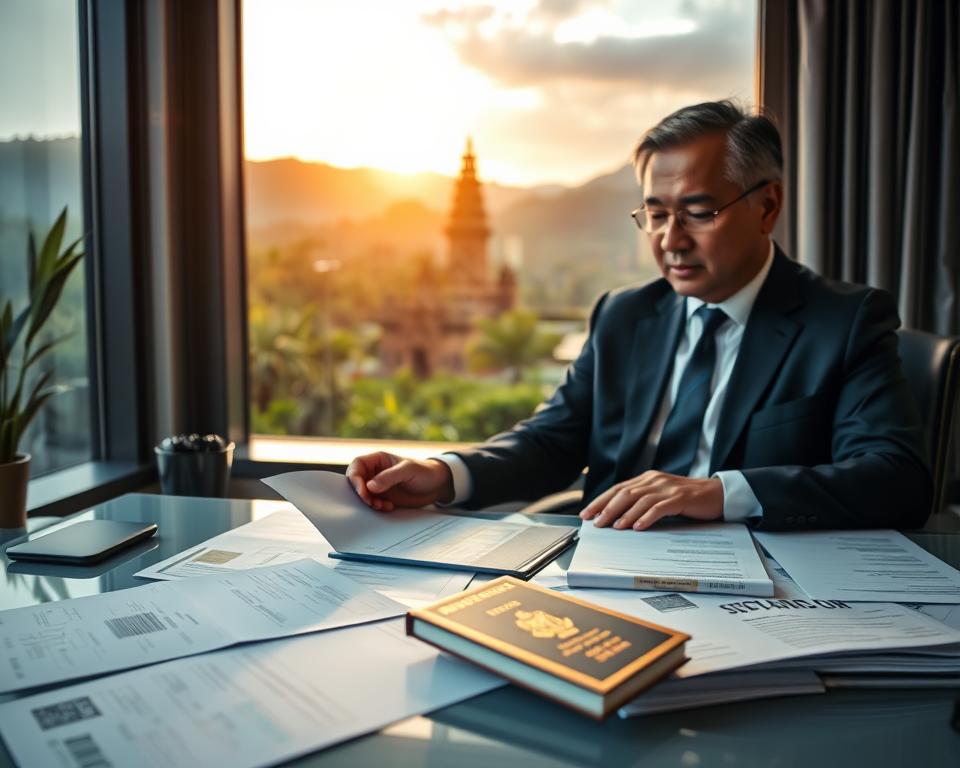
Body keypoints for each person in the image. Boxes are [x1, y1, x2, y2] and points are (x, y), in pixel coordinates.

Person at [347, 100, 931, 532]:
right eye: (654, 215)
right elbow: (551, 442)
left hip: (763, 586)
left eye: (697, 212)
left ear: (767, 206)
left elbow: (896, 477)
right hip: (607, 570)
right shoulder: (626, 315)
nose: (670, 240)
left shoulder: (843, 321)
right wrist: (443, 473)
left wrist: (717, 492)